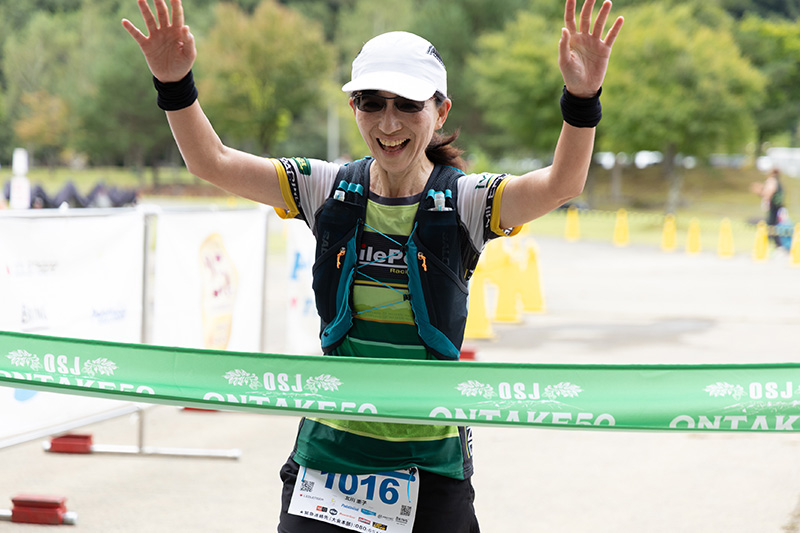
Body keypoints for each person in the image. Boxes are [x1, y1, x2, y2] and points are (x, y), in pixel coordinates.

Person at [123, 0, 623, 530]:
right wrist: (174, 85)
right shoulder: (326, 188)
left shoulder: (467, 200)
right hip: (330, 457)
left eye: (408, 105)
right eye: (371, 103)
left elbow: (562, 184)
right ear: (354, 107)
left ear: (441, 112)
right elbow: (213, 162)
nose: (388, 123)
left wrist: (582, 98)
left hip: (430, 462)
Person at [752, 168, 786, 248]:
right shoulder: (777, 181)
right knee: (774, 224)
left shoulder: (771, 181)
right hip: (778, 206)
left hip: (773, 206)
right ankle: (775, 243)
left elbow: (769, 192)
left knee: (771, 224)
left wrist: (765, 200)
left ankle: (775, 243)